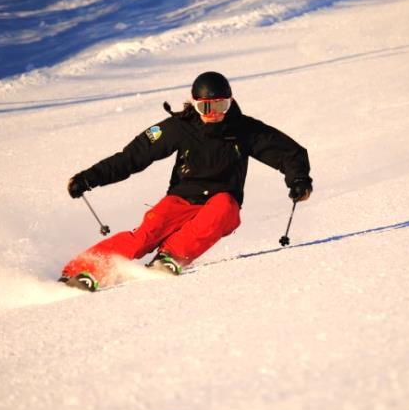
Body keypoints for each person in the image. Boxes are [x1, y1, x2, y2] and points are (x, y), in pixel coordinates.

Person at [60, 71, 312, 291]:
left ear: (230, 102)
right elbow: (132, 157)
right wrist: (88, 178)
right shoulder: (179, 128)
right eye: (206, 108)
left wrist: (299, 179)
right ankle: (80, 271)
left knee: (223, 206)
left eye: (221, 106)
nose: (213, 114)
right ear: (194, 104)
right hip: (181, 198)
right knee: (146, 234)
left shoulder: (245, 129)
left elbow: (289, 153)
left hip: (222, 202)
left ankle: (170, 257)